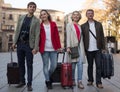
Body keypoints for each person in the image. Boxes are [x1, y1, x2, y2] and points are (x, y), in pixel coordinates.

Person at [12, 2, 40, 91]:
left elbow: (37, 34)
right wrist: (14, 42)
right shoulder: (21, 18)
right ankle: (22, 81)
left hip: (29, 45)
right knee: (20, 64)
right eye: (30, 7)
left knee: (29, 65)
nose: (32, 8)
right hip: (20, 44)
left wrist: (36, 47)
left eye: (33, 7)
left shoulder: (36, 20)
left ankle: (29, 84)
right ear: (27, 8)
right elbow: (17, 31)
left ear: (35, 9)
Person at [81, 9, 105, 88]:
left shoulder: (98, 24)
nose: (90, 14)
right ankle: (90, 80)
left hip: (97, 48)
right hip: (88, 49)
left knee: (99, 66)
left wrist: (103, 48)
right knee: (90, 65)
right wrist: (83, 50)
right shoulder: (83, 26)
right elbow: (82, 38)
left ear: (93, 14)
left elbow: (102, 36)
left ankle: (99, 82)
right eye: (88, 13)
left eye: (91, 13)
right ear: (86, 15)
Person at [39, 9, 61, 89]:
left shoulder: (53, 24)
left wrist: (59, 47)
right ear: (40, 17)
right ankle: (48, 81)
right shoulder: (40, 26)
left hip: (53, 48)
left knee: (54, 65)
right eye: (41, 15)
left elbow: (57, 36)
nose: (43, 15)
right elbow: (38, 38)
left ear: (47, 15)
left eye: (44, 14)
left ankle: (48, 75)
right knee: (45, 65)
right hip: (44, 49)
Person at [66, 11, 86, 89]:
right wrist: (68, 47)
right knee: (73, 65)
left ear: (79, 17)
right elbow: (68, 36)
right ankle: (73, 80)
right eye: (74, 15)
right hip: (72, 47)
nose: (76, 16)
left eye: (77, 15)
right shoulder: (69, 25)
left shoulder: (79, 26)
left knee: (80, 64)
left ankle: (80, 81)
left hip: (80, 47)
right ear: (72, 16)